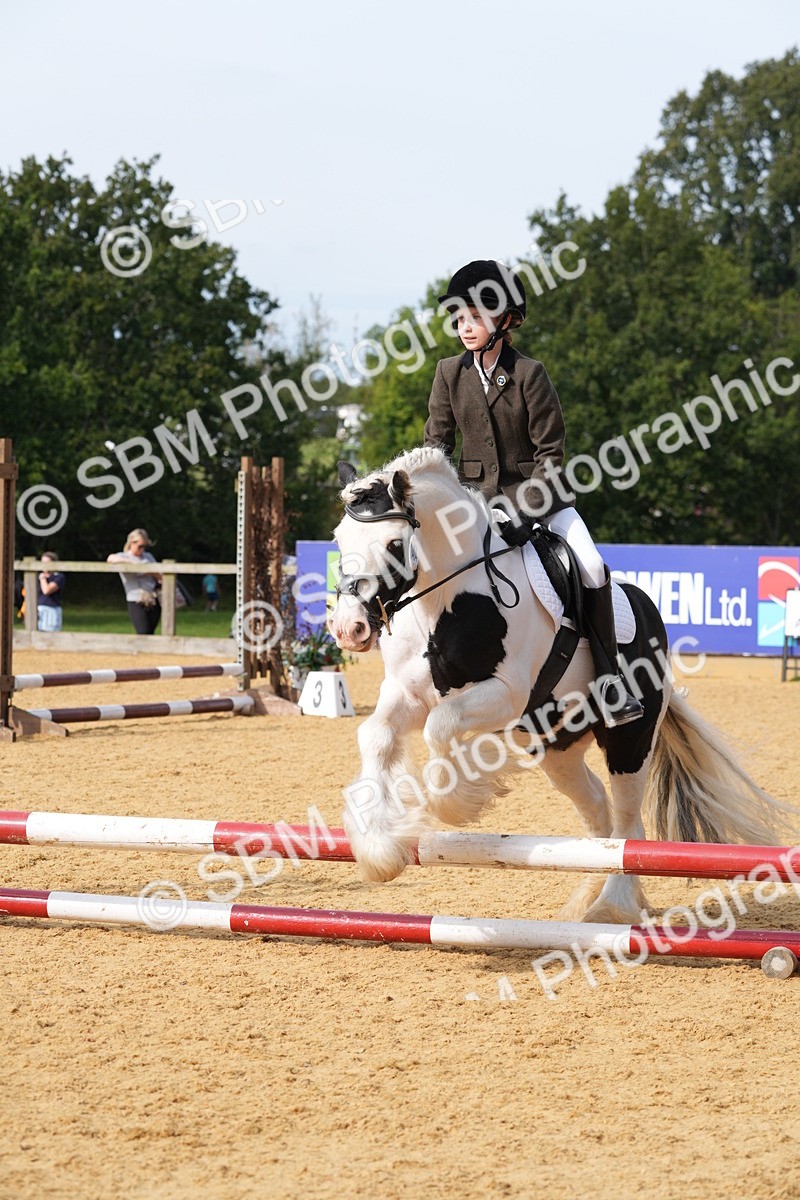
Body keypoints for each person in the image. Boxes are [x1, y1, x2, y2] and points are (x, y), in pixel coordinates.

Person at [424, 258, 643, 727]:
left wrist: (520, 510)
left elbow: (551, 453)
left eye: (476, 317)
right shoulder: (448, 374)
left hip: (538, 502)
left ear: (506, 320)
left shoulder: (528, 374)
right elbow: (435, 449)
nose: (465, 326)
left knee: (589, 564)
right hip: (473, 507)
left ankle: (609, 679)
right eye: (459, 317)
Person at [107, 528, 162, 635]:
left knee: (150, 632)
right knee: (143, 631)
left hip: (153, 598)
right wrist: (134, 564)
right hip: (136, 599)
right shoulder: (124, 556)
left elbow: (159, 574)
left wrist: (145, 570)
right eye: (140, 546)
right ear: (132, 543)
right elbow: (111, 559)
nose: (142, 550)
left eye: (144, 546)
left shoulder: (148, 556)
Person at [37, 551, 66, 632]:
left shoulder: (58, 577)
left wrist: (42, 579)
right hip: (39, 610)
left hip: (51, 611)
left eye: (46, 563)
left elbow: (47, 590)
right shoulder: (37, 576)